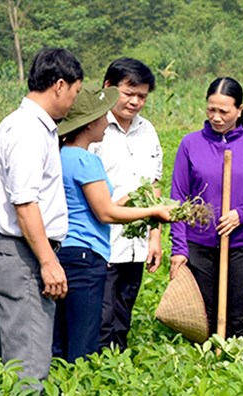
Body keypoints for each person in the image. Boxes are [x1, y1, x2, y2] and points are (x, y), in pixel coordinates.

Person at [53, 86, 173, 362]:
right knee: (84, 339)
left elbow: (97, 207)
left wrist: (133, 198)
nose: (106, 122)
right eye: (100, 117)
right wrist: (153, 211)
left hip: (64, 252)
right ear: (88, 125)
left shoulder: (61, 156)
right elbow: (106, 214)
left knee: (61, 335)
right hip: (86, 256)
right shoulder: (87, 160)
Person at [0, 48, 83, 384]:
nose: (74, 101)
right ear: (59, 85)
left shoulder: (32, 126)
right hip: (24, 253)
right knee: (28, 365)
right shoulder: (28, 130)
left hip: (20, 250)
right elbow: (25, 203)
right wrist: (47, 261)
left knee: (18, 360)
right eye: (75, 92)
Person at [170, 77, 243, 338]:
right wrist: (179, 247)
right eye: (211, 110)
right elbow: (178, 198)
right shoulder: (190, 144)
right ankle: (203, 369)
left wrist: (241, 214)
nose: (216, 117)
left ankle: (232, 368)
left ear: (240, 110)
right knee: (201, 314)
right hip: (199, 244)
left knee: (236, 316)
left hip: (241, 245)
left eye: (224, 111)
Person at [88, 58, 163, 352]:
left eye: (142, 96)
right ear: (108, 87)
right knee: (100, 317)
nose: (135, 102)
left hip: (136, 243)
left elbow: (154, 186)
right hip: (101, 241)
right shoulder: (92, 130)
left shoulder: (148, 131)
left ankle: (117, 369)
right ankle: (95, 371)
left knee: (123, 313)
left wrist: (154, 237)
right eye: (128, 93)